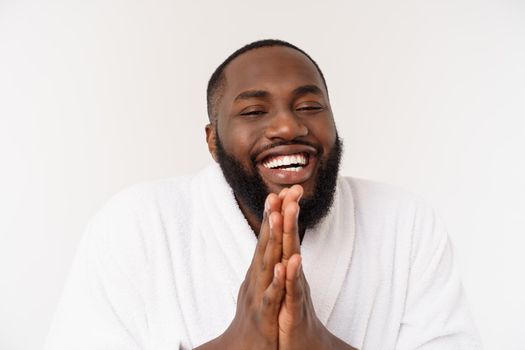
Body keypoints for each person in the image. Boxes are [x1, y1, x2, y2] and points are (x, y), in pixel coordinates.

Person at [45, 39, 482, 350]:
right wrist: (233, 345)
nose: (289, 127)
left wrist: (322, 347)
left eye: (310, 106)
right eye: (254, 111)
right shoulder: (136, 224)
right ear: (212, 140)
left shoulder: (404, 222)